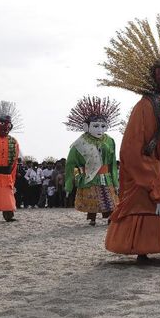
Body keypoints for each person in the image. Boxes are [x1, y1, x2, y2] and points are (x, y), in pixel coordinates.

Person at [101, 12, 160, 262]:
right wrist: (155, 188)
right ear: (159, 76)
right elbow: (133, 152)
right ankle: (142, 250)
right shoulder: (147, 107)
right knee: (148, 208)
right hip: (147, 185)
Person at [64, 96, 121, 226]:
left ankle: (110, 218)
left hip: (106, 177)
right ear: (86, 127)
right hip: (90, 176)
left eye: (103, 126)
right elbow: (70, 164)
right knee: (93, 199)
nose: (99, 129)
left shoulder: (110, 141)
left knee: (110, 200)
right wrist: (69, 183)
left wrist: (115, 180)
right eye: (95, 126)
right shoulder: (80, 143)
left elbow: (112, 163)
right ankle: (92, 219)